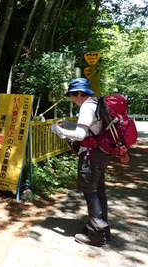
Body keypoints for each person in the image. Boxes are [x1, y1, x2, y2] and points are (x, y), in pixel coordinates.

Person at [51, 78, 110, 247]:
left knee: (91, 193)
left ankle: (96, 236)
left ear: (79, 93)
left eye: (72, 95)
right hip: (99, 154)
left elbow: (80, 135)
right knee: (99, 192)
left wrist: (59, 130)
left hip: (90, 157)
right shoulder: (95, 103)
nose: (72, 99)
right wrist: (69, 124)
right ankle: (102, 229)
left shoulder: (86, 106)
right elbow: (92, 128)